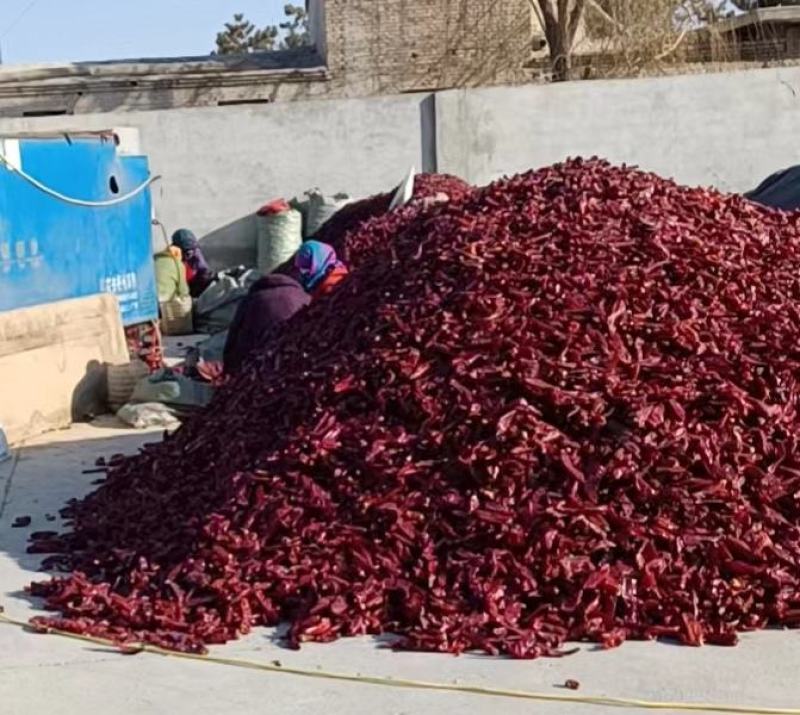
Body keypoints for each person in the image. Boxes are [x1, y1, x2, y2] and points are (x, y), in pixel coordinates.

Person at [223, 274, 311, 375]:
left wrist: (228, 369)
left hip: (259, 364)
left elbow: (235, 333)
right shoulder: (305, 298)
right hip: (298, 361)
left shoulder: (255, 299)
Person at [171, 229, 214, 298]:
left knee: (208, 277)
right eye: (185, 250)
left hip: (192, 284)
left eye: (190, 249)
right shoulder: (170, 257)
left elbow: (204, 271)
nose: (188, 253)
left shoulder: (196, 253)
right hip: (179, 286)